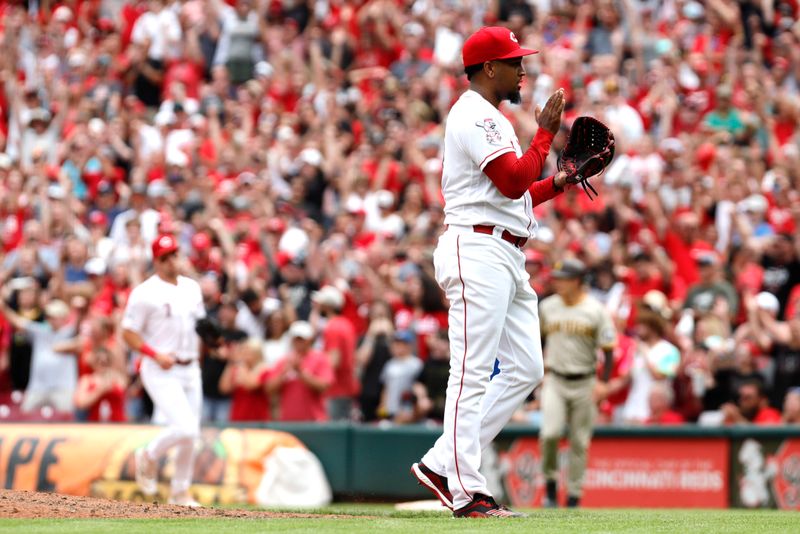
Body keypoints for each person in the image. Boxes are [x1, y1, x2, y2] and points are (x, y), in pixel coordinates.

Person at [411, 26, 570, 518]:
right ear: (488, 68)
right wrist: (545, 132)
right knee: (471, 373)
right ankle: (466, 491)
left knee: (526, 367)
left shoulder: (492, 116)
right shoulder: (474, 113)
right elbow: (510, 181)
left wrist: (561, 182)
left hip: (503, 249)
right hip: (476, 249)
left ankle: (444, 461)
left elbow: (516, 193)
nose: (522, 68)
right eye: (514, 60)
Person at [121, 234, 206, 507]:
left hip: (190, 366)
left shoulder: (192, 287)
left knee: (190, 436)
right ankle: (148, 454)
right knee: (186, 429)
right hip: (160, 368)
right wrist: (153, 354)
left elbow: (200, 326)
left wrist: (214, 343)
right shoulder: (145, 292)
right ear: (156, 260)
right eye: (166, 257)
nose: (172, 261)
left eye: (174, 255)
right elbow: (128, 332)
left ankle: (180, 493)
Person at [538, 259, 617, 508]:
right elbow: (538, 340)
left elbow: (609, 350)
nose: (557, 282)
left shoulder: (595, 310)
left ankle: (574, 496)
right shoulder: (548, 307)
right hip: (555, 378)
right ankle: (550, 487)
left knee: (579, 441)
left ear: (577, 281)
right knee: (549, 434)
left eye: (562, 278)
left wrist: (603, 384)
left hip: (585, 381)